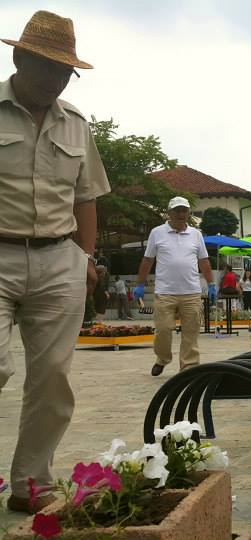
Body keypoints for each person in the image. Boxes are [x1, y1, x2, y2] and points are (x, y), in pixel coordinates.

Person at [0, 10, 110, 514]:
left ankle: (30, 482)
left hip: (59, 258)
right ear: (19, 58)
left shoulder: (77, 125)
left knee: (53, 380)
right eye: (47, 67)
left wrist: (86, 258)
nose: (56, 79)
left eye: (65, 71)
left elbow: (86, 198)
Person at [133, 196, 216, 376]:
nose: (181, 214)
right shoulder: (157, 232)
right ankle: (162, 358)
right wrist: (140, 284)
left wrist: (211, 284)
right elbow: (148, 260)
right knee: (163, 329)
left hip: (191, 291)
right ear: (169, 213)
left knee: (191, 331)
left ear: (188, 213)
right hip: (165, 291)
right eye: (177, 210)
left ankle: (189, 366)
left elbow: (204, 261)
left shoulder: (196, 234)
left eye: (184, 210)